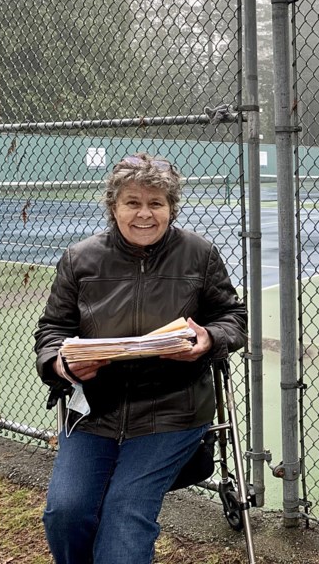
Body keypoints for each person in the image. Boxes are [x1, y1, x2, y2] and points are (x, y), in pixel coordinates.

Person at [33, 152, 248, 564]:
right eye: (133, 202)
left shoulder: (198, 254)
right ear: (113, 207)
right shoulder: (80, 258)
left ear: (171, 208)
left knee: (125, 515)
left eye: (156, 203)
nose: (145, 214)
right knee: (66, 513)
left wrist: (209, 338)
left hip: (173, 413)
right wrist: (61, 364)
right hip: (93, 412)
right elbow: (52, 330)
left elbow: (232, 317)